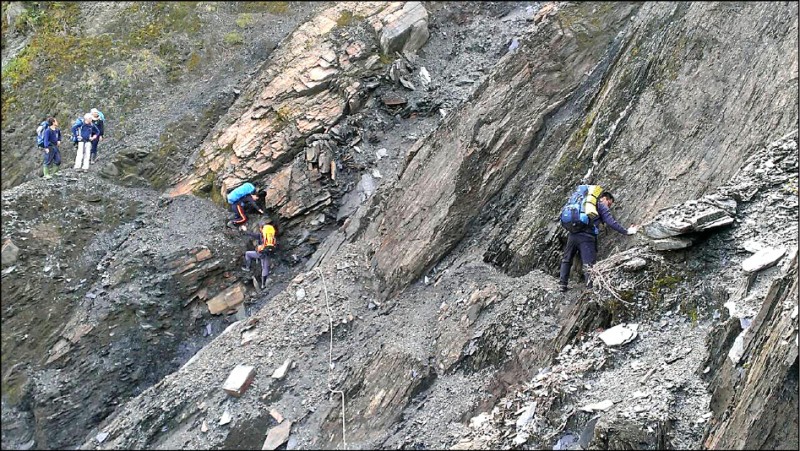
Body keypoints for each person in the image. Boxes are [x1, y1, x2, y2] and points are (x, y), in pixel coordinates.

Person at [559, 191, 638, 292]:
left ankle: (562, 284)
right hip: (587, 238)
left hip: (573, 234)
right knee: (589, 265)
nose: (609, 206)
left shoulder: (582, 203)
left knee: (567, 258)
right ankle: (590, 289)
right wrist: (626, 231)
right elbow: (611, 222)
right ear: (604, 198)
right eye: (609, 203)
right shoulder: (601, 206)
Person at [242, 220, 277, 289]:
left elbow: (252, 234)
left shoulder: (261, 235)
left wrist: (245, 230)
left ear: (261, 228)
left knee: (248, 254)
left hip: (261, 253)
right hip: (268, 253)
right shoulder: (271, 235)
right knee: (265, 267)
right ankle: (263, 284)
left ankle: (247, 268)